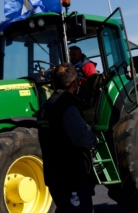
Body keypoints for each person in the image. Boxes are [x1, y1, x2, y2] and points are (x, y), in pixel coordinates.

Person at [37, 62, 97, 213]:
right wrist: (93, 139)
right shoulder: (67, 106)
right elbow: (82, 138)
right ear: (75, 83)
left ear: (53, 83)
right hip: (72, 177)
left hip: (54, 176)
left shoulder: (45, 108)